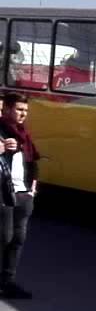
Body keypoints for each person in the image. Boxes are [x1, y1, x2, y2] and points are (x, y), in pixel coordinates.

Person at [1, 92, 37, 299]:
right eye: (19, 110)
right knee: (3, 238)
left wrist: (32, 189)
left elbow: (33, 163)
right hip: (3, 193)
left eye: (25, 111)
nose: (23, 114)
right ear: (6, 109)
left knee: (17, 239)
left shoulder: (24, 134)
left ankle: (8, 282)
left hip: (23, 195)